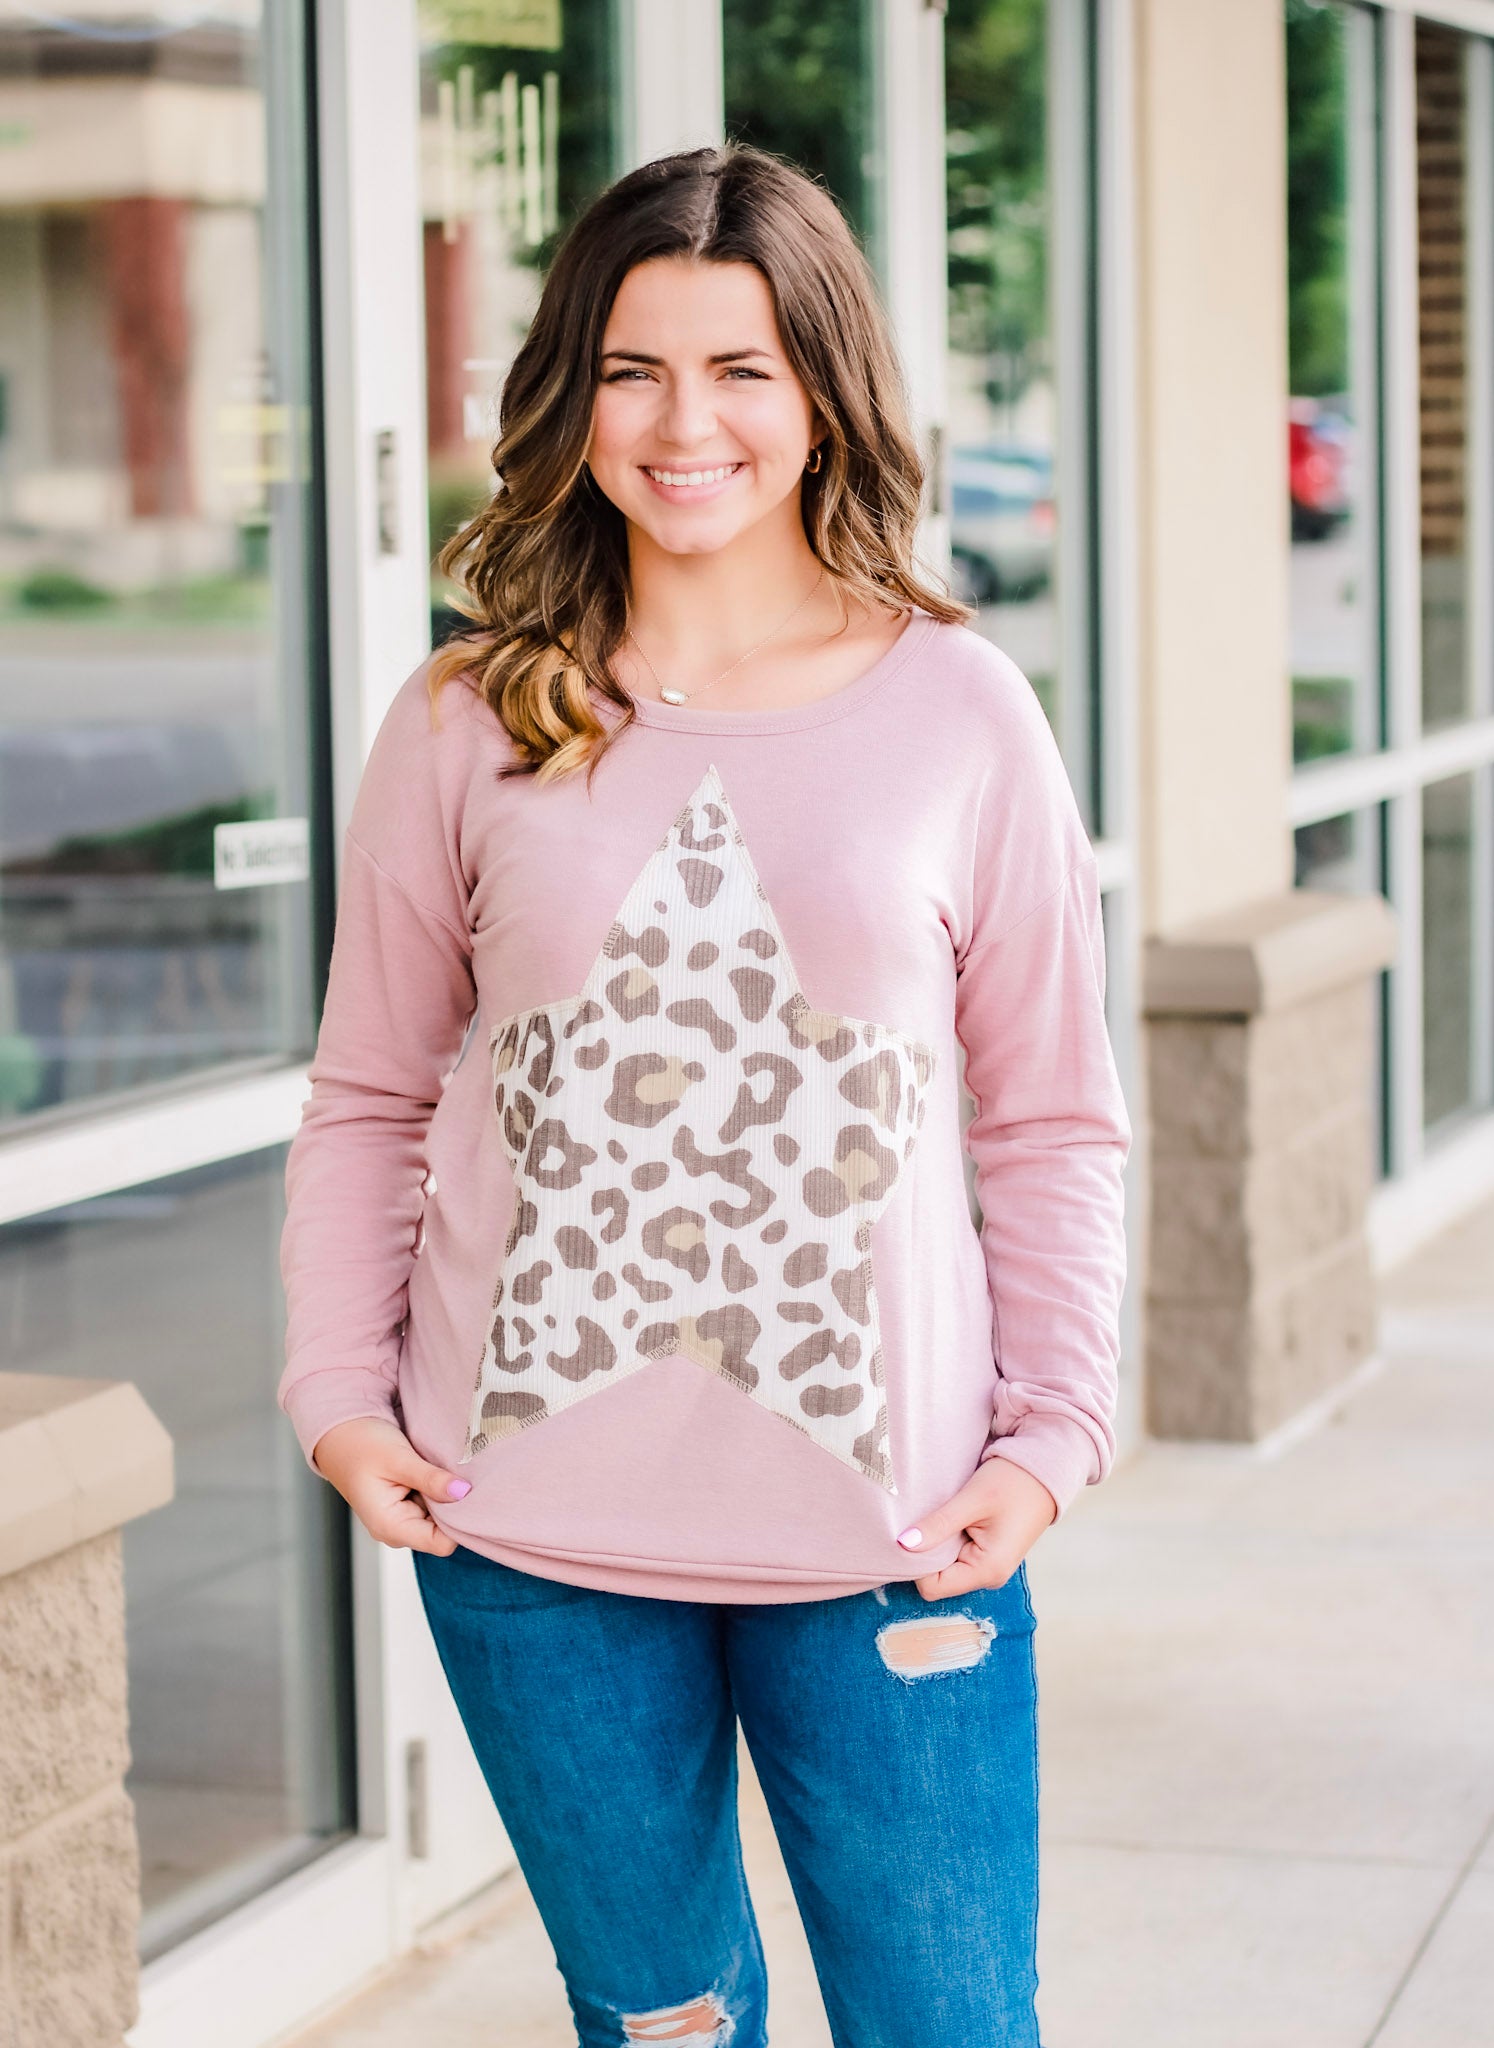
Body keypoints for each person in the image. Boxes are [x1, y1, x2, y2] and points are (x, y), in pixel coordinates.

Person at [279, 142, 1131, 2048]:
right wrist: (337, 1391)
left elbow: (1049, 1118)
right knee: (659, 2028)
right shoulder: (469, 717)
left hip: (899, 1535)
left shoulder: (959, 709)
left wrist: (1053, 1431)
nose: (685, 426)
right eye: (632, 370)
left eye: (742, 368)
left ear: (823, 394)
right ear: (568, 396)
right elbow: (367, 1096)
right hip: (529, 1538)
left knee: (947, 2025)